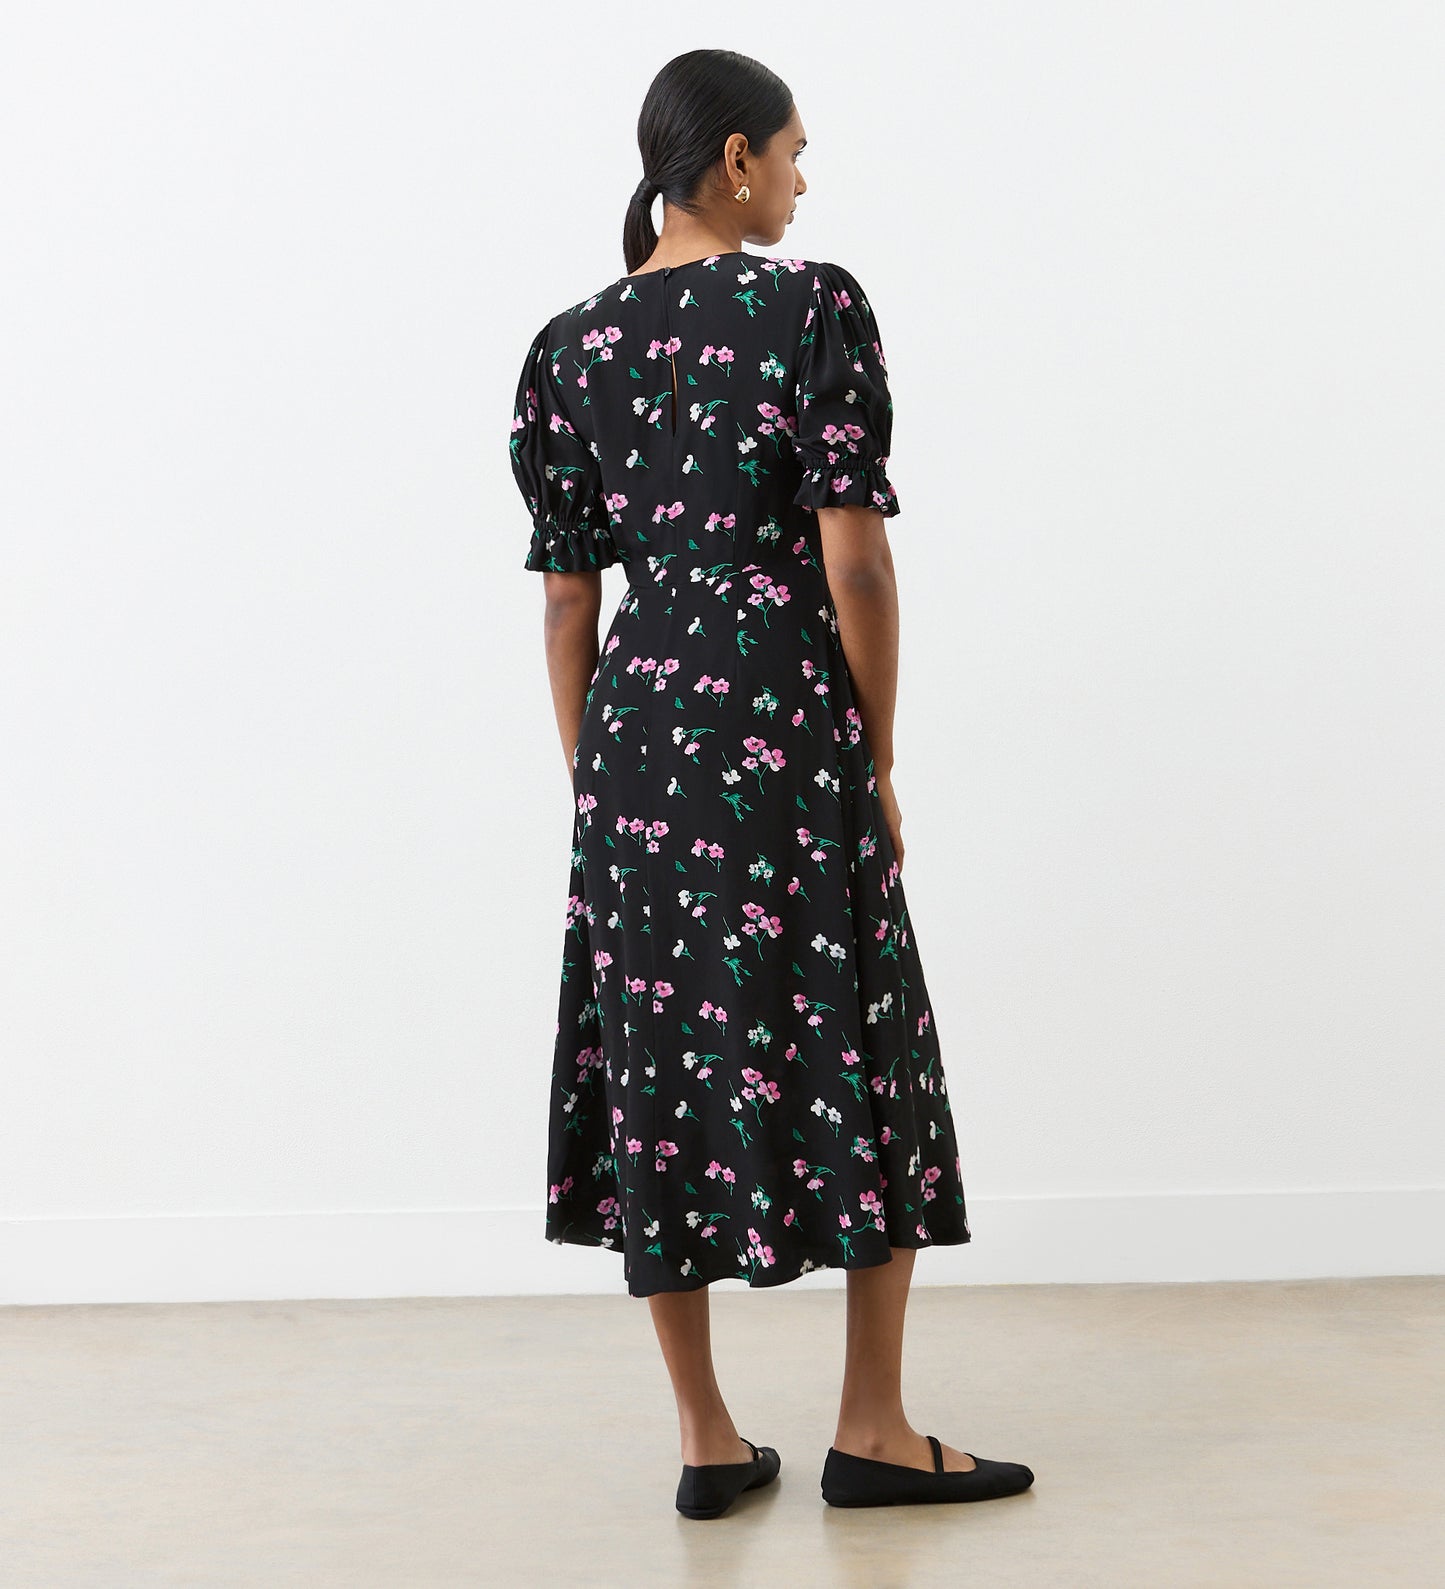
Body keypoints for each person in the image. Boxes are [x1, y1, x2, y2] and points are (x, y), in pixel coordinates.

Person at [507, 48, 1034, 1516]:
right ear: (733, 159)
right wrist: (876, 756)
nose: (803, 179)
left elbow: (567, 603)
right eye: (794, 152)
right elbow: (854, 562)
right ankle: (872, 1426)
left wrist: (596, 789)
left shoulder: (564, 347)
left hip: (633, 739)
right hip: (784, 720)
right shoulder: (812, 306)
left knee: (659, 1065)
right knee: (864, 1034)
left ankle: (705, 1438)